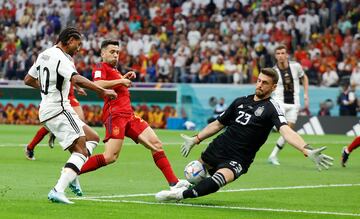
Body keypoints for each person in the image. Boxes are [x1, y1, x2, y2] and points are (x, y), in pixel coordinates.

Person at [155, 68, 333, 202]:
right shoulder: (240, 102)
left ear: (273, 87)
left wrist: (306, 149)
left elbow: (286, 130)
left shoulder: (272, 108)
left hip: (239, 158)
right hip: (218, 147)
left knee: (217, 181)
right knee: (193, 172)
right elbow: (218, 124)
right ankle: (187, 186)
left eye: (264, 83)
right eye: (258, 80)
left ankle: (179, 195)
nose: (260, 85)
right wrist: (196, 139)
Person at [77, 39, 189, 190]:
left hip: (129, 115)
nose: (116, 55)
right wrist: (121, 81)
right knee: (110, 157)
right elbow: (97, 84)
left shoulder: (114, 70)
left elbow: (115, 83)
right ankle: (72, 173)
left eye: (117, 52)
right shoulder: (99, 66)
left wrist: (123, 78)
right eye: (112, 52)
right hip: (115, 115)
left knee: (156, 144)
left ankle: (174, 183)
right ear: (102, 53)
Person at [24, 27, 117, 204]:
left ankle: (72, 172)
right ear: (70, 40)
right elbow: (77, 78)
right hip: (59, 109)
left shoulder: (45, 54)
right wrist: (102, 90)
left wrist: (49, 89)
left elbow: (28, 80)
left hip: (49, 107)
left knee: (93, 138)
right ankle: (58, 190)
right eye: (78, 44)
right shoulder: (62, 58)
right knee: (81, 151)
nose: (79, 48)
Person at [24, 84, 96, 161]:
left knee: (80, 121)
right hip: (59, 96)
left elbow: (72, 76)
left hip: (70, 95)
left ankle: (81, 155)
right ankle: (30, 147)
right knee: (51, 126)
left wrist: (78, 87)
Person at [268, 44, 309, 165]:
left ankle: (273, 155)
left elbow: (304, 78)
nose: (281, 56)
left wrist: (306, 95)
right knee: (280, 126)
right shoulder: (274, 71)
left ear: (287, 55)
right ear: (275, 56)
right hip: (279, 102)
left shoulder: (296, 67)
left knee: (289, 132)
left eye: (282, 53)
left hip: (294, 103)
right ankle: (273, 124)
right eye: (278, 54)